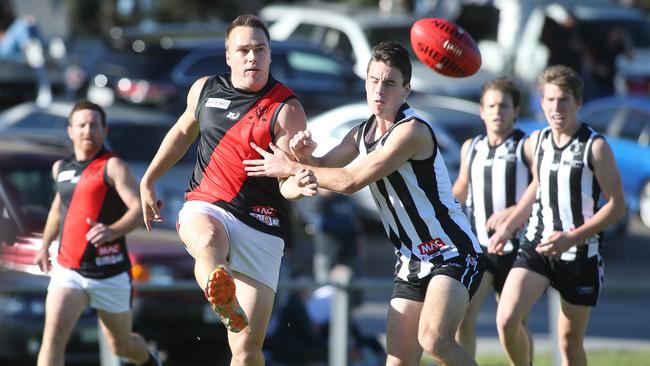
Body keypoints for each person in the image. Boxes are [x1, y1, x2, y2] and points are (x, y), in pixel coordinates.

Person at [244, 41, 485, 366]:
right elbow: (321, 170)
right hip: (411, 259)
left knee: (434, 339)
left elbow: (349, 181)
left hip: (452, 252)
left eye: (389, 83)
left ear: (406, 90)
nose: (379, 90)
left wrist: (291, 167)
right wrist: (303, 157)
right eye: (373, 80)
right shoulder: (362, 133)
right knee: (397, 359)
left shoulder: (411, 132)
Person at [139, 14, 317, 365]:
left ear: (269, 55)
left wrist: (302, 181)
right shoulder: (204, 90)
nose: (253, 57)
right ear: (228, 56)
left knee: (247, 352)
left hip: (262, 225)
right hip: (207, 205)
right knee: (207, 241)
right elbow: (180, 133)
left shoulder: (286, 109)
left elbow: (288, 184)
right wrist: (149, 178)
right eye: (244, 50)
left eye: (260, 50)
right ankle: (221, 291)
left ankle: (228, 301)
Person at [489, 65, 626, 366]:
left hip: (579, 252)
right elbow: (537, 187)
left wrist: (571, 238)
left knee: (569, 344)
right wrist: (508, 227)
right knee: (507, 318)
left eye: (563, 99)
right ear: (541, 103)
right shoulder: (536, 142)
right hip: (536, 246)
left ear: (578, 102)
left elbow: (617, 206)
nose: (556, 107)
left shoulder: (596, 147)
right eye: (549, 100)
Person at [33, 101, 160, 366]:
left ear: (104, 131)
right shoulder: (60, 168)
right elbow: (58, 209)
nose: (87, 130)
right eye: (81, 125)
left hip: (110, 272)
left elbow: (139, 210)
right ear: (70, 131)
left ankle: (150, 360)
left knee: (122, 346)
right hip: (70, 270)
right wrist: (45, 245)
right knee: (52, 340)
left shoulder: (112, 166)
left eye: (94, 125)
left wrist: (112, 231)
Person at [452, 78, 532, 357]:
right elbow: (461, 188)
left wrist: (513, 212)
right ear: (481, 110)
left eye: (504, 105)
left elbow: (543, 187)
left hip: (518, 249)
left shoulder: (527, 146)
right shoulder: (471, 147)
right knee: (463, 315)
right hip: (480, 248)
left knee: (513, 322)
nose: (497, 111)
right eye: (492, 105)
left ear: (515, 111)